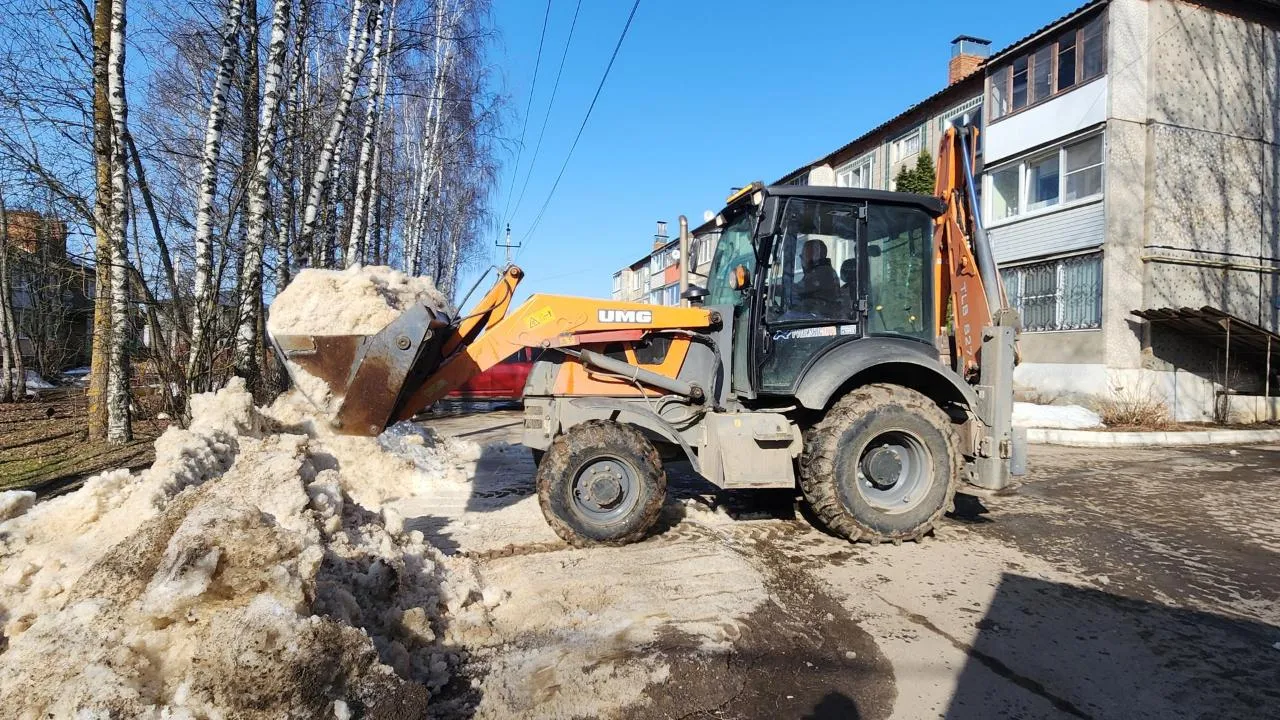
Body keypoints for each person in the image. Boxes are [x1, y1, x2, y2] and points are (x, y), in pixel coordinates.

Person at [795, 239, 844, 318]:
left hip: (821, 316)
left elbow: (800, 289)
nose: (801, 258)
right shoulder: (818, 270)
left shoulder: (822, 271)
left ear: (815, 254)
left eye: (804, 254)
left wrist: (783, 288)